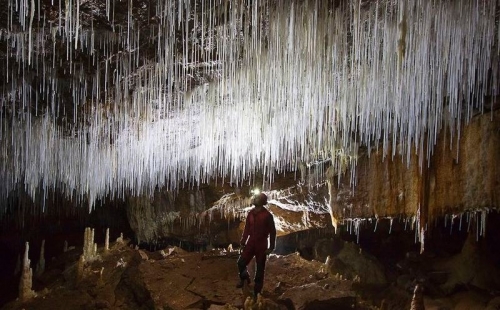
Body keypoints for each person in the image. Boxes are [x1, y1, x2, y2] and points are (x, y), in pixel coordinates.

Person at [236, 192, 276, 297]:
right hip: (251, 242)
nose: (254, 198)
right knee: (241, 263)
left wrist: (271, 247)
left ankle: (257, 291)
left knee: (260, 268)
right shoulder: (250, 213)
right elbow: (247, 229)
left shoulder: (267, 216)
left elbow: (273, 232)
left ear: (262, 201)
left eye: (257, 198)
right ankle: (245, 278)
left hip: (261, 243)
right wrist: (243, 242)